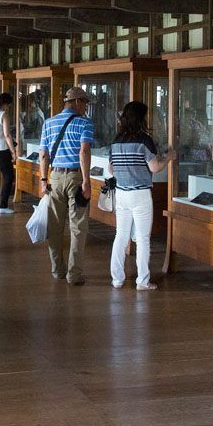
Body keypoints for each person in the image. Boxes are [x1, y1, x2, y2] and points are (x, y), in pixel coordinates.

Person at [108, 101, 175, 291]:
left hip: (121, 193)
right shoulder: (144, 140)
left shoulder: (116, 140)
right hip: (140, 194)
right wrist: (168, 157)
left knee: (120, 236)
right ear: (141, 118)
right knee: (143, 238)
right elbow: (154, 167)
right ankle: (142, 281)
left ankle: (117, 279)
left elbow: (111, 168)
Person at [40, 87, 94, 285]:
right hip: (76, 178)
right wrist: (87, 180)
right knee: (78, 227)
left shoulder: (48, 123)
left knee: (55, 227)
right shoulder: (84, 123)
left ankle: (57, 270)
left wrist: (43, 180)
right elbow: (84, 152)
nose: (86, 108)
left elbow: (44, 155)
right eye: (85, 103)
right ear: (78, 102)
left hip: (54, 177)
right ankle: (74, 274)